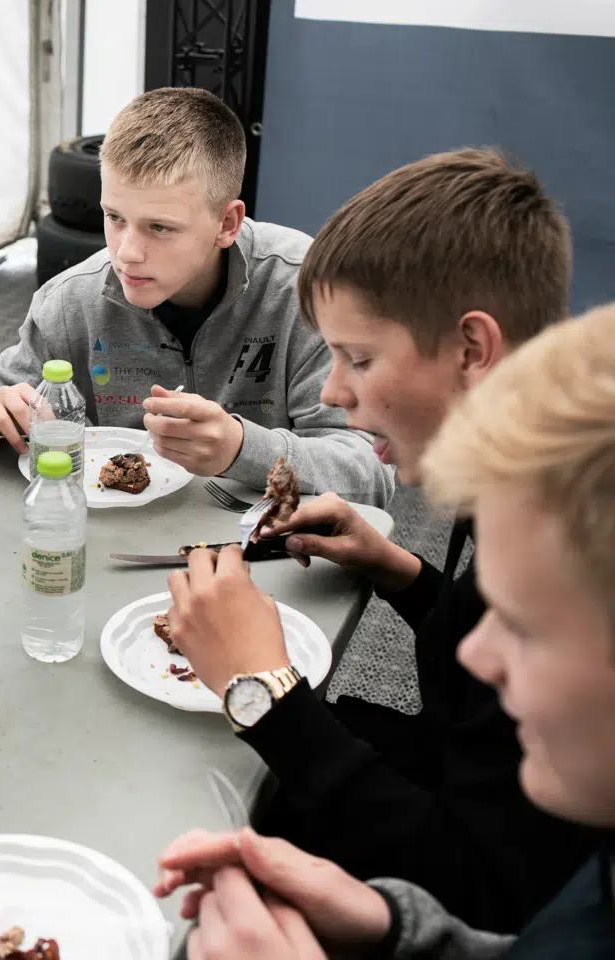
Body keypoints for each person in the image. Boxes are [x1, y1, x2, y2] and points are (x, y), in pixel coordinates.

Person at [161, 149, 594, 932]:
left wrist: (262, 687)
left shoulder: (565, 544)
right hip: (444, 772)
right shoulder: (516, 484)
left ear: (471, 349)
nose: (331, 390)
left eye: (358, 357)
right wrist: (399, 571)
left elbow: (478, 892)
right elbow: (475, 675)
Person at [0, 87, 392, 506]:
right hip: (120, 543)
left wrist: (243, 449)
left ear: (227, 224)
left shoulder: (308, 292)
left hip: (264, 547)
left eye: (159, 227)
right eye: (115, 217)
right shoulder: (71, 300)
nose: (127, 253)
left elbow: (371, 474)